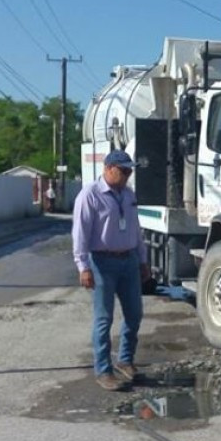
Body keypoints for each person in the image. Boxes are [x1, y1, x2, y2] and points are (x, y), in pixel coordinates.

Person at [71, 150, 149, 392]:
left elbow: (136, 229)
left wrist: (143, 260)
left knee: (135, 314)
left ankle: (125, 360)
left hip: (129, 260)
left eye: (130, 171)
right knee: (104, 319)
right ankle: (103, 370)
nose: (127, 175)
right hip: (102, 262)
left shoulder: (128, 195)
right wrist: (83, 266)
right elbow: (80, 233)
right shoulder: (90, 195)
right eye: (124, 170)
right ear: (108, 168)